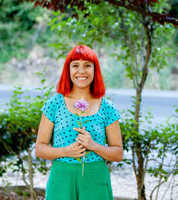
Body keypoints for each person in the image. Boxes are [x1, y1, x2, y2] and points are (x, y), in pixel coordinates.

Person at [35, 44, 123, 200]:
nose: (81, 71)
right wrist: (65, 151)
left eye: (87, 65)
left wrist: (94, 145)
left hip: (95, 179)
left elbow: (117, 153)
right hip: (61, 178)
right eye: (75, 65)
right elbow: (40, 149)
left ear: (95, 70)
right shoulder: (54, 104)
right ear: (68, 70)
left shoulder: (107, 107)